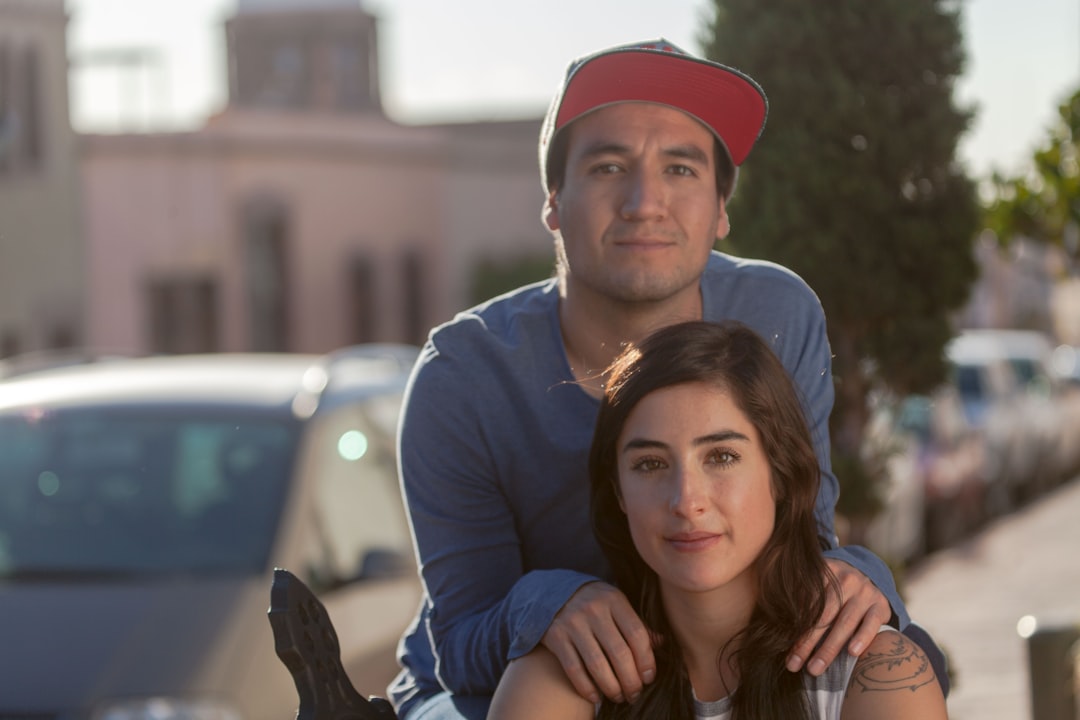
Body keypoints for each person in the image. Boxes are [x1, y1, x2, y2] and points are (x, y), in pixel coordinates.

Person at [389, 38, 945, 720]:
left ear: (720, 210)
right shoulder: (465, 375)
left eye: (680, 168)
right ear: (554, 203)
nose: (644, 201)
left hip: (701, 658)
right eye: (608, 166)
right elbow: (462, 639)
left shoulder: (775, 313)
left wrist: (864, 579)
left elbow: (799, 534)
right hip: (508, 675)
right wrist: (549, 601)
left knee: (899, 658)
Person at [487, 320, 947, 720]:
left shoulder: (879, 673)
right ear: (618, 492)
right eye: (650, 464)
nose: (687, 501)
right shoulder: (562, 675)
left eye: (722, 456)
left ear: (781, 475)